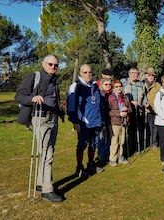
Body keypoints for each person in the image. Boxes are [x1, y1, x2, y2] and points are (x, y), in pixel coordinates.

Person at [15, 54, 63, 202]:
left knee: (49, 151)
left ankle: (41, 183)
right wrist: (32, 99)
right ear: (43, 64)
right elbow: (19, 96)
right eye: (50, 64)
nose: (53, 67)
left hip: (52, 119)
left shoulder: (54, 80)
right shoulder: (34, 76)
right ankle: (47, 190)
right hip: (40, 118)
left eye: (56, 65)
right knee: (46, 154)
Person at [67, 64, 104, 178]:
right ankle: (79, 167)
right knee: (82, 145)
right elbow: (71, 105)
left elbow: (98, 103)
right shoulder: (76, 86)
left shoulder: (95, 86)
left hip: (96, 121)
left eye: (90, 72)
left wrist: (101, 118)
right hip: (84, 122)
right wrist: (75, 121)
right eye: (85, 72)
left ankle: (91, 164)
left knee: (94, 144)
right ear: (80, 73)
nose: (88, 74)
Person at [121, 67, 146, 155]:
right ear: (129, 74)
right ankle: (129, 148)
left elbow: (144, 96)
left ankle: (137, 147)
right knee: (129, 130)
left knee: (138, 129)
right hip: (127, 110)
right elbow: (121, 95)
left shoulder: (141, 84)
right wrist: (130, 102)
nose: (134, 75)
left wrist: (145, 103)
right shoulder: (123, 82)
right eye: (132, 73)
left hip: (138, 110)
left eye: (136, 73)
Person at [108, 80, 132, 166]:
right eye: (116, 87)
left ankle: (121, 156)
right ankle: (113, 159)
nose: (118, 88)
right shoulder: (110, 97)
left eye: (120, 86)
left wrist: (127, 110)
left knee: (122, 140)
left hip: (124, 121)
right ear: (113, 88)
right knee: (115, 140)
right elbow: (108, 112)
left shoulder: (125, 97)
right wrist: (119, 113)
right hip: (115, 122)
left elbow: (130, 109)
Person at [143, 68, 161, 150]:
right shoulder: (142, 84)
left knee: (155, 127)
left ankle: (154, 143)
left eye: (152, 75)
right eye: (149, 75)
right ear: (146, 75)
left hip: (155, 110)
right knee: (147, 127)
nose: (150, 77)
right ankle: (147, 143)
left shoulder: (158, 85)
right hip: (145, 110)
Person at [97, 78, 112, 165]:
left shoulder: (111, 94)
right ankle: (101, 156)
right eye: (106, 84)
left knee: (109, 137)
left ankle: (108, 153)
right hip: (101, 119)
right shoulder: (100, 94)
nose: (108, 86)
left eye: (109, 84)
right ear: (102, 85)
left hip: (109, 119)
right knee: (101, 138)